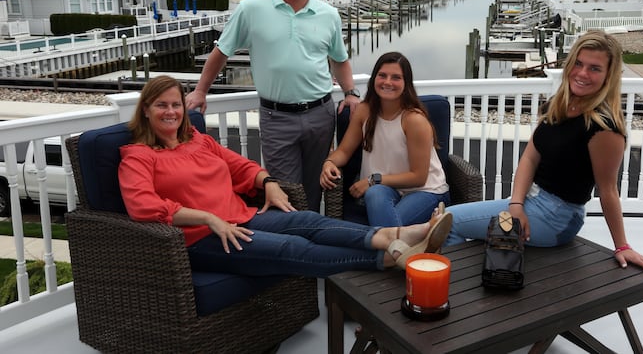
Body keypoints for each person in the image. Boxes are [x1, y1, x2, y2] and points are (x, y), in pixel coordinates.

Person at [118, 76, 453, 279]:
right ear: (145, 109)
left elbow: (242, 167)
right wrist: (207, 218)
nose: (171, 112)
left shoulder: (200, 142)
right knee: (295, 246)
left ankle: (399, 234)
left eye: (176, 104)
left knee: (309, 221)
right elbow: (144, 208)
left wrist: (268, 183)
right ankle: (393, 257)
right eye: (161, 105)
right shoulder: (138, 156)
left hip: (243, 217)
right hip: (200, 238)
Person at [444, 31, 643, 273]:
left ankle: (453, 283)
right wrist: (516, 204)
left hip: (557, 217)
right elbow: (530, 157)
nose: (582, 73)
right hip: (531, 202)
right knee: (445, 222)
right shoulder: (560, 105)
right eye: (578, 63)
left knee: (449, 222)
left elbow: (608, 190)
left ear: (609, 76)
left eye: (594, 68)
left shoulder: (603, 128)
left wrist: (622, 246)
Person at [185, 0, 360, 212]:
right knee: (286, 190)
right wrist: (200, 91)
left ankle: (311, 242)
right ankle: (293, 244)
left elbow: (339, 59)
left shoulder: (329, 14)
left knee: (316, 187)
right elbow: (222, 52)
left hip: (321, 114)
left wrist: (350, 92)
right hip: (277, 118)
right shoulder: (252, 8)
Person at [320, 52, 450, 226]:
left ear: (406, 83)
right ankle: (413, 241)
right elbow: (344, 151)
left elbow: (418, 177)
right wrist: (329, 162)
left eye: (396, 77)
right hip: (383, 190)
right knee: (375, 193)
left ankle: (385, 245)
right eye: (382, 75)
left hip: (425, 191)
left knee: (386, 227)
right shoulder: (364, 110)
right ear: (374, 78)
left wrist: (372, 180)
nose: (387, 82)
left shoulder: (413, 120)